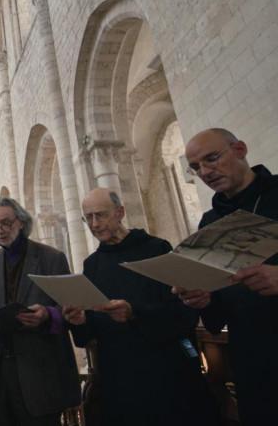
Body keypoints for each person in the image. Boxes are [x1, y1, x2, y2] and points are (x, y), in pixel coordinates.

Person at [63, 188, 218, 426]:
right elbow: (89, 333)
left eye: (101, 215)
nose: (94, 224)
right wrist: (80, 321)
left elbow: (182, 312)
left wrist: (134, 313)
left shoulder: (156, 249)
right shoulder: (92, 265)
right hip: (118, 378)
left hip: (166, 374)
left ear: (120, 212)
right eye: (88, 218)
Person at [174, 128, 278, 425]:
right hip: (251, 360)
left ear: (241, 149)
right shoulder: (209, 222)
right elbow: (218, 307)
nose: (205, 172)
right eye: (196, 167)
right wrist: (205, 297)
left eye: (212, 158)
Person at [0, 197, 80, 426]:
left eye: (6, 223)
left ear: (21, 222)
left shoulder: (51, 258)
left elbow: (72, 309)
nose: (0, 230)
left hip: (39, 377)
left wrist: (48, 314)